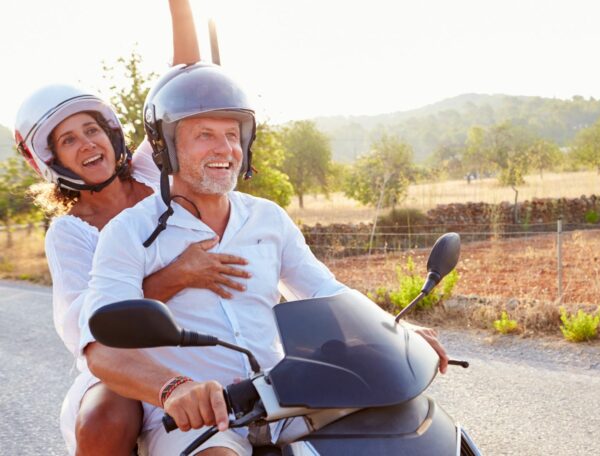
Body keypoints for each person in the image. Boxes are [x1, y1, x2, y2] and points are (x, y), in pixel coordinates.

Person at [78, 62, 449, 456]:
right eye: (205, 135)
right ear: (166, 147)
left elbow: (324, 291)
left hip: (287, 397)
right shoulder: (129, 232)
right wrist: (173, 388)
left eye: (233, 135)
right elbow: (101, 347)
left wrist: (394, 334)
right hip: (198, 420)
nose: (225, 149)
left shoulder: (267, 217)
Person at [14, 2, 252, 454]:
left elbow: (184, 74)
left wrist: (179, 6)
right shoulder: (70, 233)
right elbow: (92, 328)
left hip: (199, 335)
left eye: (92, 129)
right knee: (107, 414)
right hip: (127, 361)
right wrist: (177, 275)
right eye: (68, 140)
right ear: (53, 161)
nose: (86, 144)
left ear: (112, 133)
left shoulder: (151, 170)